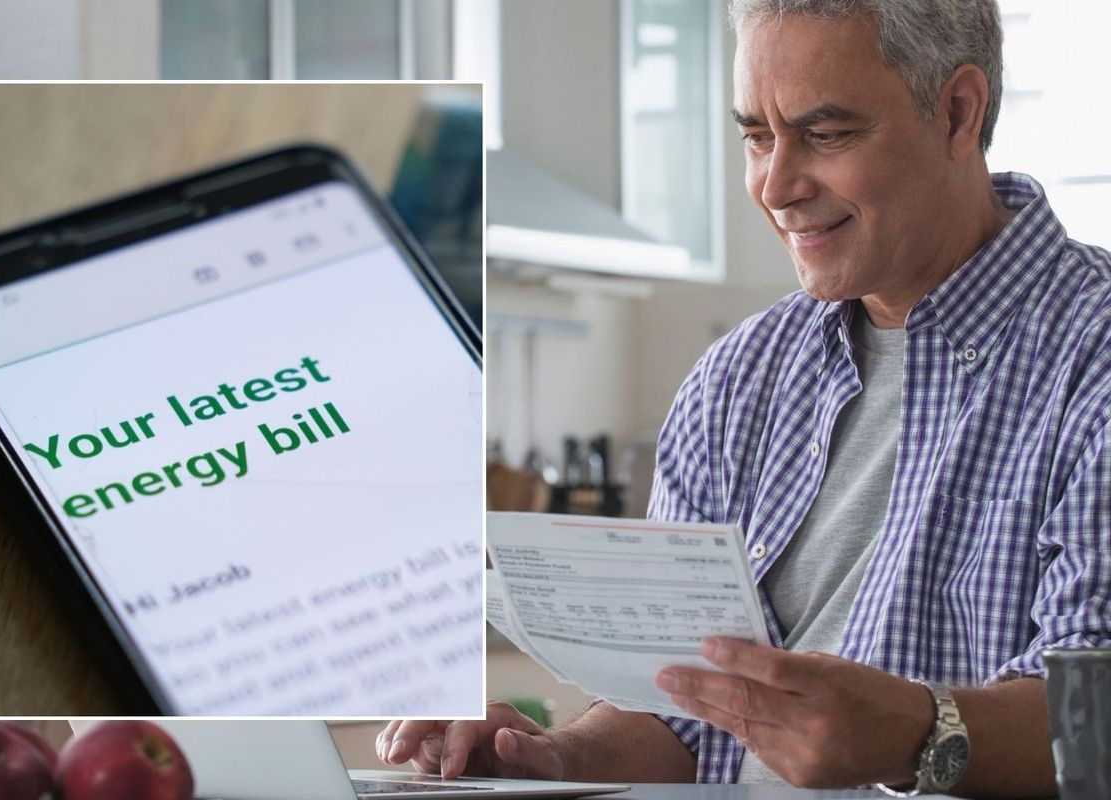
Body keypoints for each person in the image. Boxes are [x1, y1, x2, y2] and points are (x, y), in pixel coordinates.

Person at [378, 1, 1111, 795]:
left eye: (826, 134)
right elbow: (683, 715)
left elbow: (1096, 715)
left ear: (958, 112)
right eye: (758, 138)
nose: (776, 186)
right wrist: (550, 762)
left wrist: (916, 731)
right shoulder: (737, 378)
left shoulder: (1091, 356)